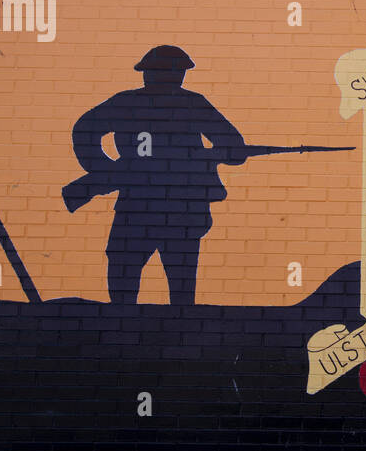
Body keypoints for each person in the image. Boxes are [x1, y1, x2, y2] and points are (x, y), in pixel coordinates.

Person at [71, 45, 245, 304]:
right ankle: (127, 321)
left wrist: (106, 170)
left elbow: (235, 150)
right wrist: (107, 171)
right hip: (154, 204)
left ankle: (142, 322)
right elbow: (85, 130)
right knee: (129, 268)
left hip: (170, 206)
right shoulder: (182, 104)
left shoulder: (181, 104)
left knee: (172, 276)